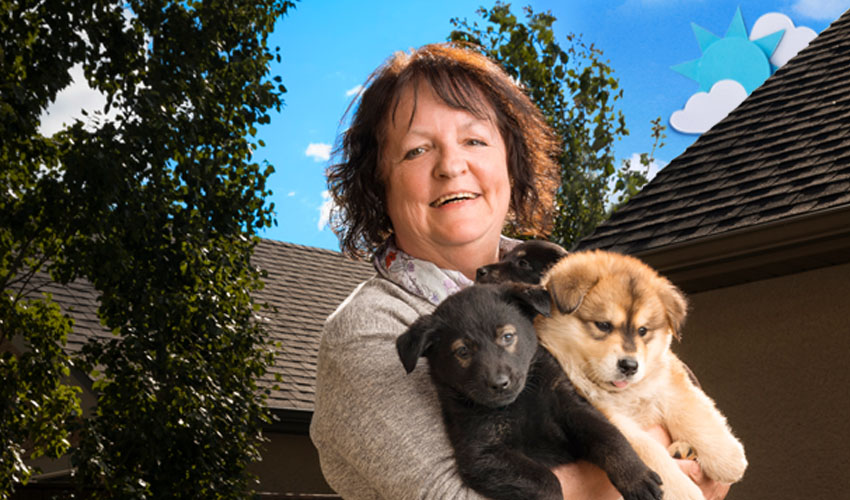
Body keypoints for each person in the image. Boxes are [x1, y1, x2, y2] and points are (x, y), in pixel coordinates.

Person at [310, 43, 730, 500]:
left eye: (474, 140)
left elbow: (709, 463)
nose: (452, 166)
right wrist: (646, 459)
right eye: (416, 151)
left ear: (510, 160)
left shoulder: (565, 281)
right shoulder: (369, 328)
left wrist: (682, 458)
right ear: (378, 183)